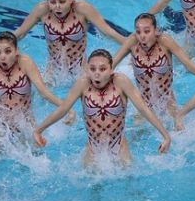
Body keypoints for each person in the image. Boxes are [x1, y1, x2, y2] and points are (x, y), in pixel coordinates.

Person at [33, 49, 171, 167]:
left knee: (130, 184)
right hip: (93, 149)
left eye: (102, 69)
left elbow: (143, 108)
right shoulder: (82, 84)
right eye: (92, 69)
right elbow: (63, 109)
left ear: (111, 70)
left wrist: (165, 136)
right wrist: (39, 130)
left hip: (119, 147)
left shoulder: (121, 82)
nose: (97, 73)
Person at [13, 0, 126, 80]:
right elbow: (21, 33)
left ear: (71, 0)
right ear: (48, 1)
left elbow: (108, 32)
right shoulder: (42, 9)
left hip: (80, 70)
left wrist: (131, 47)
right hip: (53, 71)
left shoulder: (82, 9)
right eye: (53, 2)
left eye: (62, 2)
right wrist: (2, 44)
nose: (57, 6)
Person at [112, 13, 195, 119]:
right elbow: (111, 65)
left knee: (178, 126)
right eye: (138, 32)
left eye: (147, 31)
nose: (142, 36)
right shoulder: (132, 42)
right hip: (144, 106)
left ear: (156, 31)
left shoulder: (165, 41)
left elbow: (189, 65)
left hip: (168, 103)